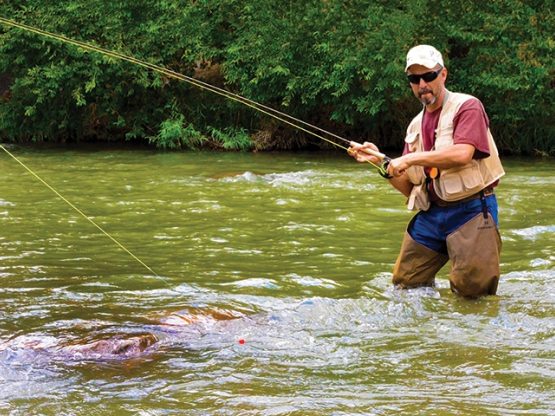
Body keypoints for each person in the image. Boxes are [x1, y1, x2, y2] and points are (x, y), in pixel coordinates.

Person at [349, 45, 505, 298]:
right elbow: (410, 187)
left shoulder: (468, 107)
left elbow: (463, 153)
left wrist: (409, 159)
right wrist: (381, 163)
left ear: (443, 74)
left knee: (473, 294)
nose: (422, 84)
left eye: (429, 76)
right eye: (414, 79)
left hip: (473, 210)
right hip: (432, 214)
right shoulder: (414, 125)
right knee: (404, 285)